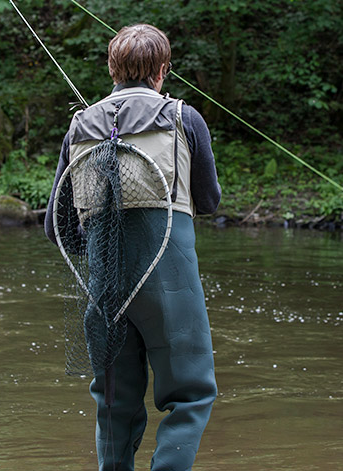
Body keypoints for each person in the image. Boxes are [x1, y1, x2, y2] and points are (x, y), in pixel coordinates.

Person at [44, 23, 221, 471]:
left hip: (105, 289)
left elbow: (55, 227)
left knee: (113, 404)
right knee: (191, 394)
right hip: (171, 287)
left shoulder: (78, 126)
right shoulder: (185, 118)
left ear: (110, 67)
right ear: (163, 71)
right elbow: (211, 200)